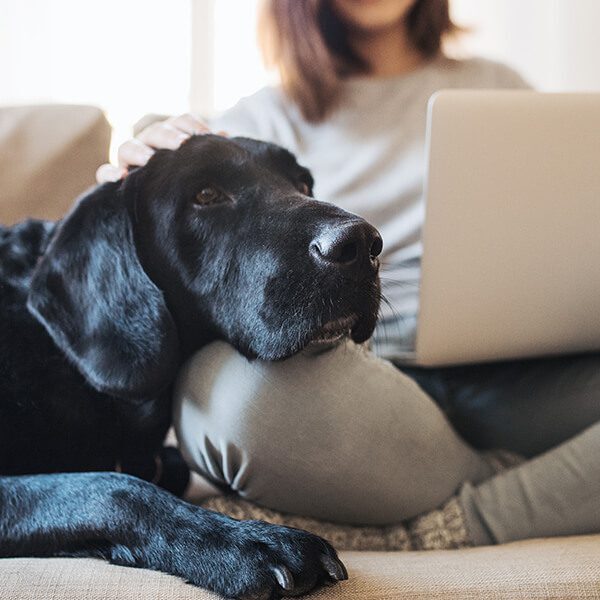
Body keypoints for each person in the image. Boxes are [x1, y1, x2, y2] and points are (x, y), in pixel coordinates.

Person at [97, 0, 600, 545]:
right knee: (226, 402)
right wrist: (134, 172)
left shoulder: (501, 88)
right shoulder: (257, 122)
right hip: (352, 388)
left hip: (520, 372)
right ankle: (555, 485)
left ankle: (448, 521)